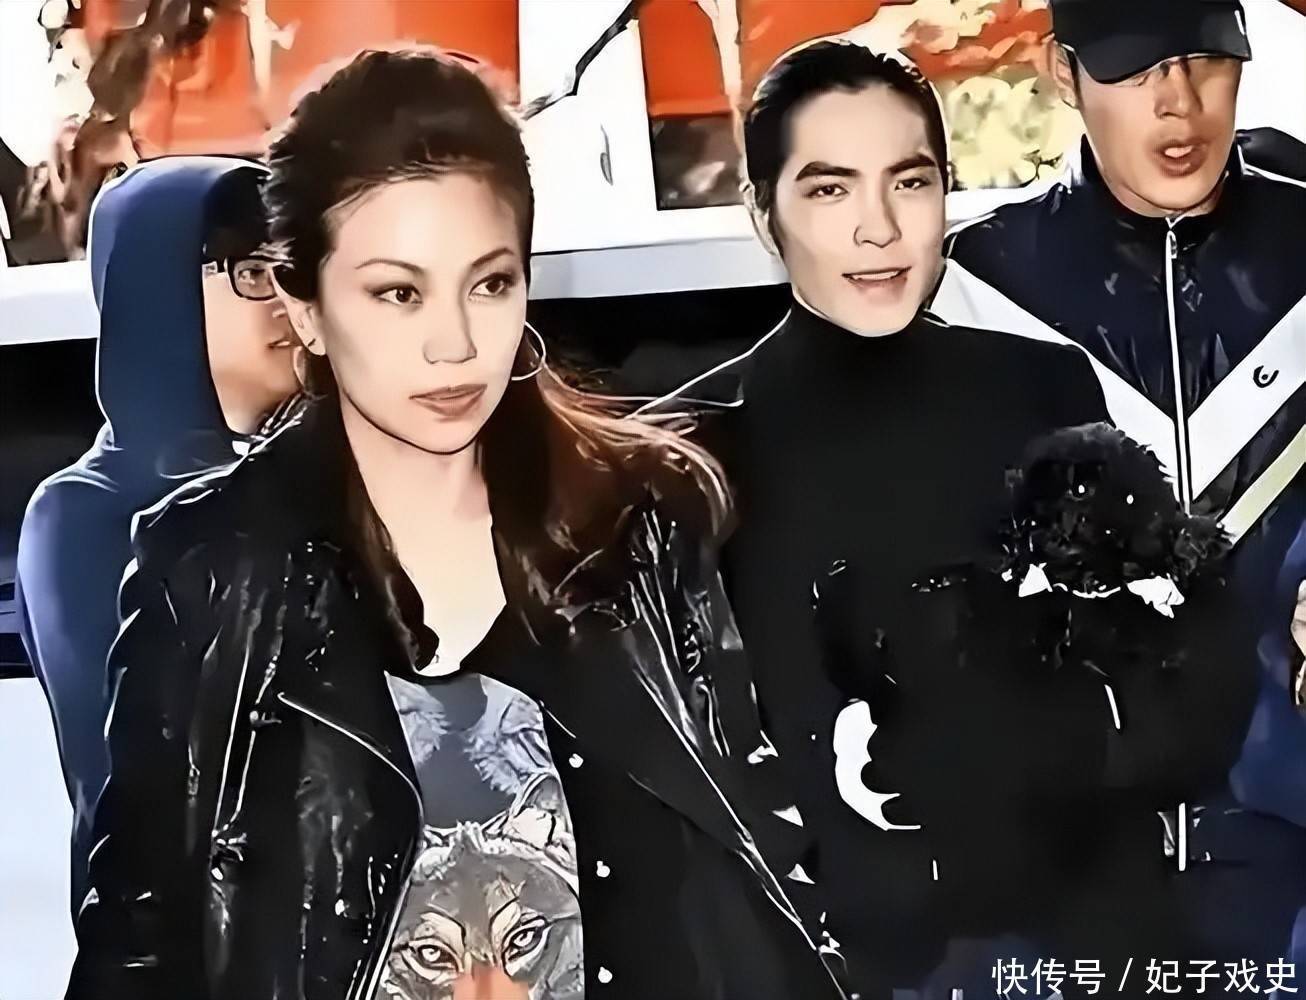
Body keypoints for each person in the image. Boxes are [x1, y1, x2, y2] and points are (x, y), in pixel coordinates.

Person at [65, 49, 844, 1000]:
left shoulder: (641, 517)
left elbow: (759, 847)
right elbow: (139, 938)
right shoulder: (214, 567)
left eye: (490, 284)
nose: (457, 345)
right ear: (306, 310)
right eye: (398, 292)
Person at [639, 40, 1129, 995]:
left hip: (1063, 944)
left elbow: (1139, 682)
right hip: (816, 960)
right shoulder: (684, 457)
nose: (880, 228)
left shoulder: (1043, 390)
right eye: (830, 189)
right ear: (763, 212)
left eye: (909, 182)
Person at [936, 0, 1306, 963]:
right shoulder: (974, 287)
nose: (1179, 102)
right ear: (1062, 73)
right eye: (1137, 68)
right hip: (1067, 877)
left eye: (1205, 58)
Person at [15, 156, 297, 913]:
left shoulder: (306, 479)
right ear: (158, 293)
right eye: (251, 270)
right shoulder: (83, 513)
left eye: (292, 267)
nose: (285, 298)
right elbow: (136, 778)